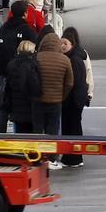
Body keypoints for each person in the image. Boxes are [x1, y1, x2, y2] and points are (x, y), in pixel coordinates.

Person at [0, 0, 38, 132]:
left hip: (4, 73)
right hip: (21, 74)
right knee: (23, 108)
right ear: (26, 13)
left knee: (3, 108)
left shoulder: (3, 29)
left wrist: (3, 71)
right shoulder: (27, 30)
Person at [35, 30, 73, 168]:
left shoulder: (37, 58)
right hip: (56, 101)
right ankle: (52, 158)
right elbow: (69, 83)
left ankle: (37, 156)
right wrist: (62, 97)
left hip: (38, 100)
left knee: (38, 129)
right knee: (53, 130)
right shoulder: (65, 60)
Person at [60, 31, 90, 168]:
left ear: (72, 44)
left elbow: (73, 82)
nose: (62, 46)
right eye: (61, 43)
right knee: (72, 128)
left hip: (72, 100)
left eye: (65, 43)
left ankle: (73, 158)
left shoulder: (74, 60)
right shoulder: (75, 57)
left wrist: (64, 96)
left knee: (72, 128)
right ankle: (72, 157)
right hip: (75, 99)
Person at [4, 40, 42, 133]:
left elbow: (8, 87)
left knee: (20, 135)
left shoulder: (11, 64)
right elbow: (34, 87)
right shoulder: (31, 64)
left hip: (16, 107)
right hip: (30, 108)